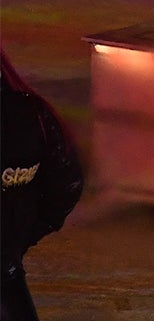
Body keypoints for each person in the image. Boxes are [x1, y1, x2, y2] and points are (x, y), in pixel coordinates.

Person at [2, 49, 84, 321]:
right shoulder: (33, 113)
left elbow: (66, 183)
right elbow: (66, 183)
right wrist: (18, 237)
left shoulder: (31, 115)